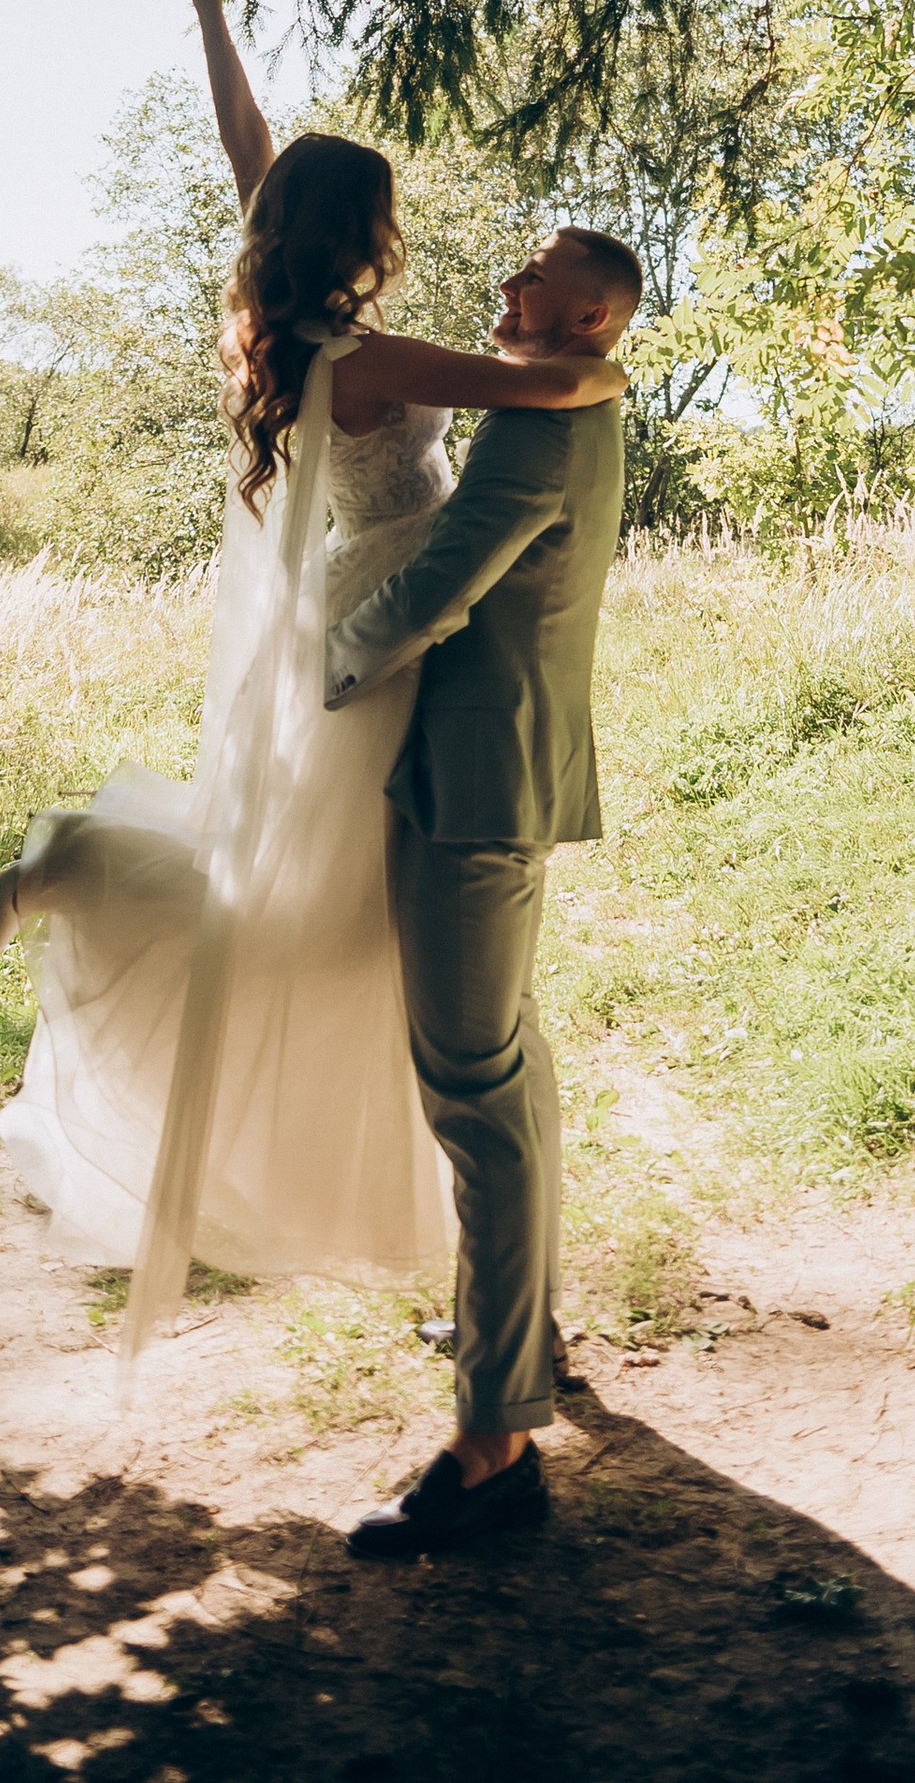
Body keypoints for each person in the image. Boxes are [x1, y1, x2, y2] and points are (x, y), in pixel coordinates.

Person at [0, 0, 629, 1366]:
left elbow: (248, 149)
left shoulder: (298, 329)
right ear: (369, 237)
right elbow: (560, 381)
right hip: (385, 647)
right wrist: (602, 339)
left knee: (349, 941)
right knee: (316, 936)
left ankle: (508, 1304)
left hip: (354, 611)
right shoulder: (381, 361)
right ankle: (81, 861)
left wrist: (210, 2)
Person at [322, 213, 641, 1557]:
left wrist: (323, 674)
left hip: (474, 782)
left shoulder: (537, 420)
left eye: (541, 274)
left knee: (474, 1094)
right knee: (508, 1062)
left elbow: (446, 585)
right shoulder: (575, 397)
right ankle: (529, 1335)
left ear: (591, 319)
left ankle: (495, 1444)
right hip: (492, 765)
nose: (510, 281)